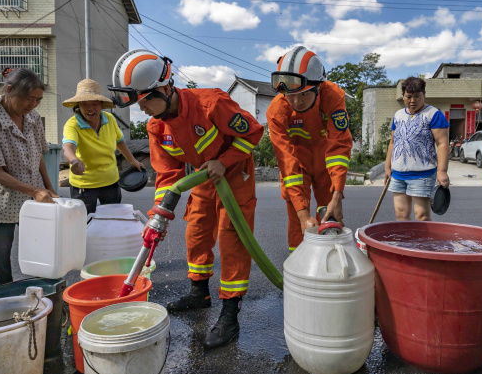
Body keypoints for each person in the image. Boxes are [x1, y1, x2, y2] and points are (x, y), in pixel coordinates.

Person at [108, 49, 263, 349]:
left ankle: (230, 313)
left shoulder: (211, 104)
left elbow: (253, 133)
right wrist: (158, 216)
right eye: (139, 105)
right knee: (197, 231)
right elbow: (168, 175)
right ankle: (199, 293)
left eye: (147, 101)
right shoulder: (157, 127)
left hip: (234, 175)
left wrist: (226, 159)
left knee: (232, 239)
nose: (145, 111)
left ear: (166, 88)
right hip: (204, 176)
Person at [0, 67, 58, 285]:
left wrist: (49, 188)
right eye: (29, 99)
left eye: (38, 100)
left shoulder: (33, 118)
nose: (33, 105)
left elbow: (38, 156)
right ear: (10, 90)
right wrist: (35, 190)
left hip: (33, 198)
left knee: (44, 255)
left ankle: (42, 301)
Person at [266, 46, 353, 252]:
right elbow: (287, 162)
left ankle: (331, 263)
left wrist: (337, 194)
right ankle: (299, 266)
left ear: (318, 86)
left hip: (326, 165)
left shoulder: (332, 96)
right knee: (298, 222)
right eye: (289, 95)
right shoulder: (277, 111)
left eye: (303, 95)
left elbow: (339, 146)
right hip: (298, 166)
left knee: (330, 218)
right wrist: (303, 213)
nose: (296, 101)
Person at [62, 79, 144, 214]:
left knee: (112, 219)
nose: (90, 108)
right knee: (85, 223)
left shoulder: (110, 119)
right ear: (78, 106)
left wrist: (132, 161)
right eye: (84, 104)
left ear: (101, 105)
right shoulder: (72, 124)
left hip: (110, 181)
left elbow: (120, 141)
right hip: (84, 184)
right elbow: (68, 147)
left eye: (94, 103)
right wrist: (74, 161)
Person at [384, 77, 450, 221]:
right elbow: (393, 142)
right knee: (400, 215)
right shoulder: (398, 115)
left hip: (422, 175)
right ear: (403, 96)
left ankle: (423, 244)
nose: (412, 100)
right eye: (408, 97)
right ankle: (405, 243)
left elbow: (442, 143)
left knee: (422, 216)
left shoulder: (433, 114)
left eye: (416, 96)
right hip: (398, 174)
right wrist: (387, 166)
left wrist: (442, 171)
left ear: (424, 95)